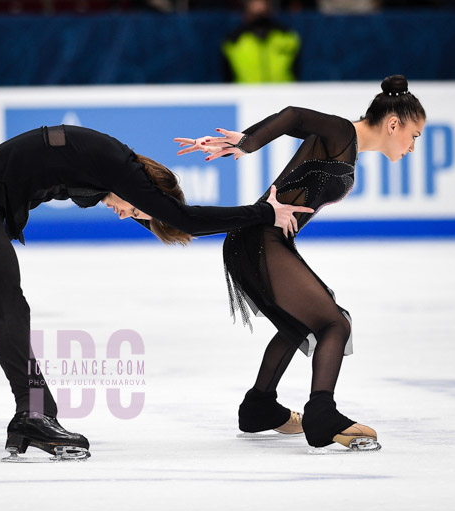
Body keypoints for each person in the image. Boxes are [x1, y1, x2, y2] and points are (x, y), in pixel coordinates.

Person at [0, 124, 311, 459]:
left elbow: (168, 217)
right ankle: (34, 414)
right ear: (146, 189)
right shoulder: (122, 168)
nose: (126, 214)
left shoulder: (104, 170)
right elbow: (184, 218)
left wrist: (155, 216)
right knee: (8, 309)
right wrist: (263, 213)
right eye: (137, 210)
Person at [174, 75, 426, 451]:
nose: (412, 146)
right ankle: (322, 414)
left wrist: (248, 140)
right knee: (333, 323)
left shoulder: (347, 146)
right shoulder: (341, 133)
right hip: (258, 238)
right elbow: (293, 115)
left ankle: (259, 406)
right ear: (394, 124)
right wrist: (248, 142)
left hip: (260, 239)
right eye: (415, 136)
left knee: (303, 322)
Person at [221, 0, 301, 83]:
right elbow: (227, 80)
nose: (258, 4)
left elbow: (299, 74)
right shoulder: (233, 42)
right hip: (245, 95)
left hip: (286, 94)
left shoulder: (289, 37)